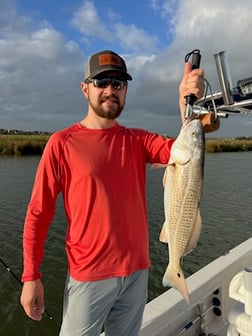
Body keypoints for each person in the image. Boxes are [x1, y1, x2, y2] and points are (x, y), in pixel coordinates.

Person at [20, 50, 205, 335]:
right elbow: (38, 214)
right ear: (85, 88)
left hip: (137, 273)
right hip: (88, 278)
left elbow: (186, 152)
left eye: (118, 83)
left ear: (126, 89)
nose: (110, 90)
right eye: (101, 81)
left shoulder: (138, 140)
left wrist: (186, 103)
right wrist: (31, 276)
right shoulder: (61, 144)